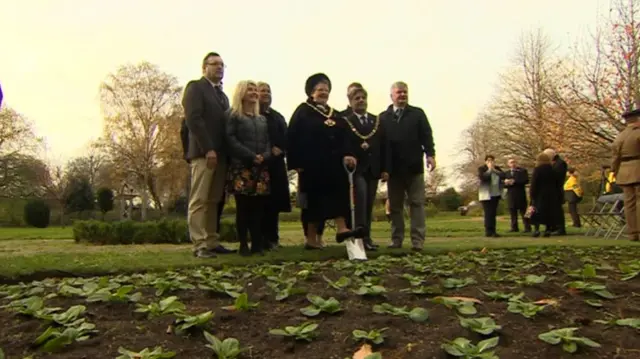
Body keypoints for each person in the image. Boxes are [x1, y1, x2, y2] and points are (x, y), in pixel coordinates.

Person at [287, 72, 363, 250]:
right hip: (311, 166)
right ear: (311, 92)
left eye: (326, 90)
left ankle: (342, 229)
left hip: (334, 166)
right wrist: (295, 163)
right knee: (313, 204)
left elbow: (346, 138)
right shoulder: (303, 112)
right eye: (320, 89)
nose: (324, 93)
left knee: (339, 197)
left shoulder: (335, 115)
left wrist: (349, 154)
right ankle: (311, 239)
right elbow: (291, 138)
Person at [182, 51, 235, 258]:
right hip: (204, 154)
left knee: (214, 200)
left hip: (221, 156)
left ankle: (212, 241)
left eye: (222, 65)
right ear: (204, 68)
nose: (219, 68)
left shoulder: (222, 96)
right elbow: (193, 120)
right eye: (214, 64)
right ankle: (199, 244)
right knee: (200, 199)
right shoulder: (196, 87)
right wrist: (208, 149)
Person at [379, 81, 435, 251]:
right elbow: (380, 145)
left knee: (416, 204)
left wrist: (430, 155)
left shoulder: (417, 114)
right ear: (392, 95)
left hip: (414, 167)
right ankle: (397, 240)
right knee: (395, 206)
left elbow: (427, 135)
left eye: (405, 92)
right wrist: (383, 168)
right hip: (393, 170)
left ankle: (417, 241)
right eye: (399, 92)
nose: (402, 95)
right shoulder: (383, 118)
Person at [225, 80, 272, 255]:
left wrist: (264, 156)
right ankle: (243, 244)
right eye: (250, 90)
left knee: (258, 208)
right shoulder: (234, 116)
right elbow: (231, 140)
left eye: (255, 90)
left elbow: (268, 141)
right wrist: (250, 156)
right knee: (243, 208)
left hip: (260, 169)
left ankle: (257, 244)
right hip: (242, 168)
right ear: (242, 93)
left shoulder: (261, 119)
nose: (254, 92)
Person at [343, 86, 390, 251]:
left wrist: (385, 169)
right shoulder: (346, 121)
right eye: (357, 98)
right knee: (360, 202)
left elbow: (383, 146)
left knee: (369, 204)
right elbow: (343, 145)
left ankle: (367, 237)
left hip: (373, 169)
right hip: (356, 170)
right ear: (350, 102)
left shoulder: (376, 121)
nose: (361, 101)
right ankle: (358, 237)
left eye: (363, 98)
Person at [257, 82, 291, 250]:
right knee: (258, 204)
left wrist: (281, 148)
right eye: (262, 90)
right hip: (258, 165)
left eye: (268, 91)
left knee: (273, 204)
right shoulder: (251, 115)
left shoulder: (277, 117)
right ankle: (258, 239)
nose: (266, 93)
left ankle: (273, 239)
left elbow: (287, 137)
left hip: (275, 165)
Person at [611, 108, 640, 241]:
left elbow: (615, 158)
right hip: (638, 168)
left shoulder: (620, 136)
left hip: (624, 171)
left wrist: (615, 171)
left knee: (629, 204)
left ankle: (632, 232)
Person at [529, 152, 559, 237]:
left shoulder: (537, 169)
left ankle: (536, 230)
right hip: (551, 195)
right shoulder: (553, 170)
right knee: (548, 212)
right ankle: (547, 230)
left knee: (536, 212)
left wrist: (532, 195)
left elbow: (534, 183)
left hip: (539, 194)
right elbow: (557, 183)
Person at [477, 155, 505, 237]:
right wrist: (489, 169)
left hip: (495, 194)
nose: (490, 162)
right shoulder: (482, 169)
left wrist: (494, 170)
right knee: (488, 213)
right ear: (485, 161)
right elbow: (483, 177)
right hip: (486, 194)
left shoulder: (497, 168)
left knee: (493, 213)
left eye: (492, 160)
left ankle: (493, 230)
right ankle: (488, 231)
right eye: (488, 160)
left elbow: (503, 175)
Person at [543, 148, 568, 235]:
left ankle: (560, 229)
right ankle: (553, 227)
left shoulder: (560, 163)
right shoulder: (552, 163)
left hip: (556, 190)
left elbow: (558, 177)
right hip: (551, 190)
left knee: (557, 210)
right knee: (551, 210)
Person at [504, 158, 531, 232]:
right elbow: (503, 184)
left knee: (524, 212)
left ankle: (527, 227)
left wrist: (514, 181)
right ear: (508, 164)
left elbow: (526, 180)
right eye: (511, 162)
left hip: (520, 194)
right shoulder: (506, 173)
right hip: (511, 195)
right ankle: (514, 227)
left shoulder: (522, 171)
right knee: (513, 212)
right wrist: (506, 183)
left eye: (514, 162)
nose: (513, 164)